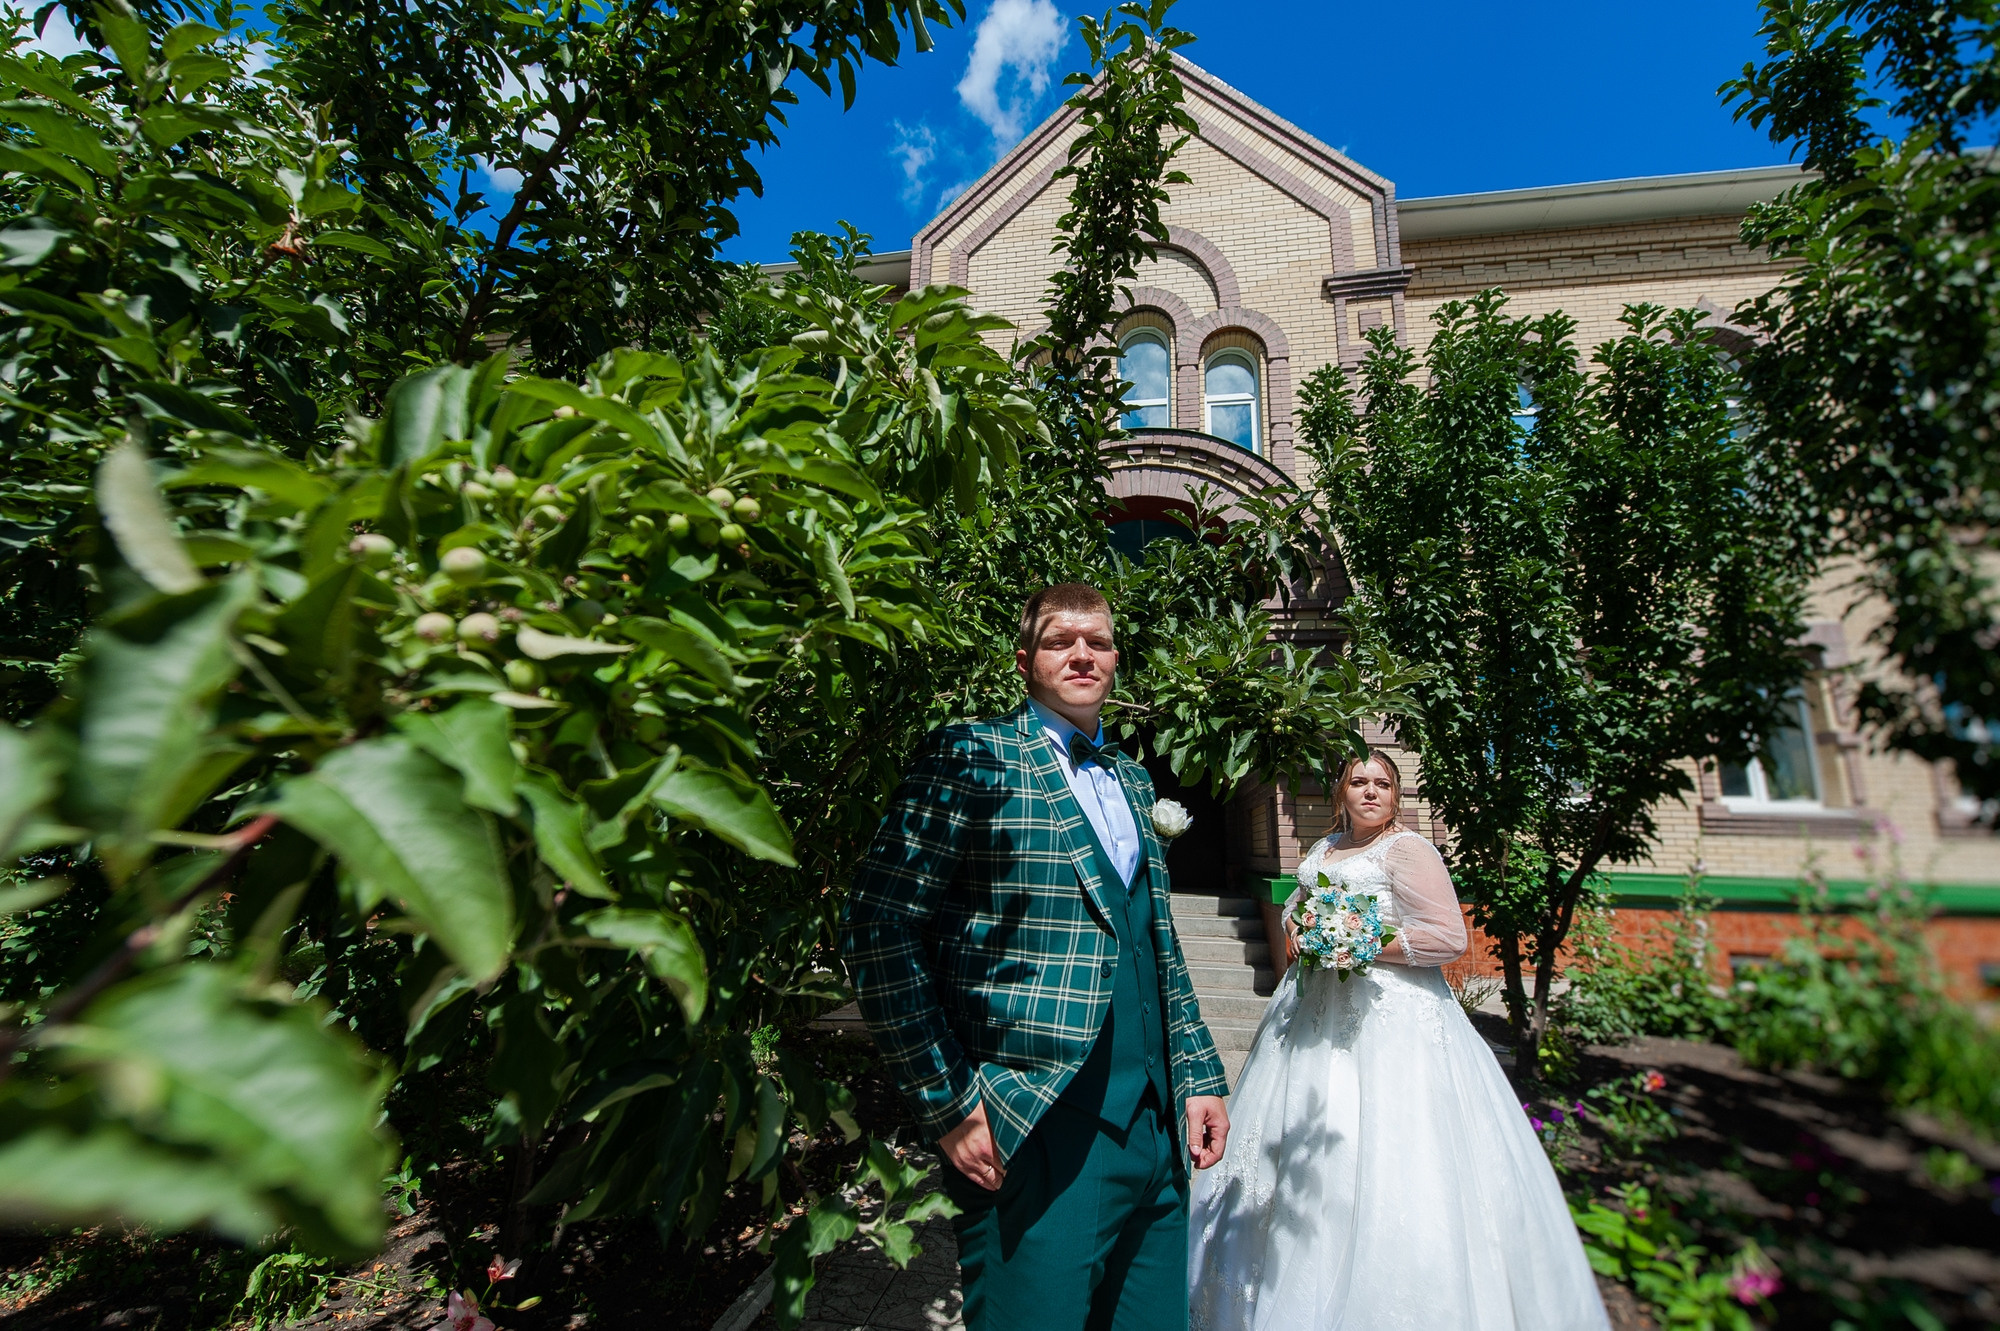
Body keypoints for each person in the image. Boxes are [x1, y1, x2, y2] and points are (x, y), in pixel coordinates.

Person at [843, 581, 1232, 1331]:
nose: (1082, 654)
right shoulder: (973, 754)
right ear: (1025, 660)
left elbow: (1158, 940)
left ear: (1115, 659)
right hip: (1036, 1124)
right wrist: (947, 1101)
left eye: (1099, 641)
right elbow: (877, 926)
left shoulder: (1133, 779)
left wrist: (1201, 1074)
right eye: (1060, 641)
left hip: (1154, 1131)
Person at [1187, 752, 1612, 1330]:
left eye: (1382, 784)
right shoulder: (1325, 847)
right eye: (1358, 782)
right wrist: (1297, 928)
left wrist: (1356, 942)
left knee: (1388, 1147)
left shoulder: (1409, 850)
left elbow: (1447, 936)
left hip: (1391, 1022)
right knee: (1294, 1137)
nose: (1370, 792)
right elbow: (1296, 905)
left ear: (1395, 796)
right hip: (1310, 1015)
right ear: (1340, 792)